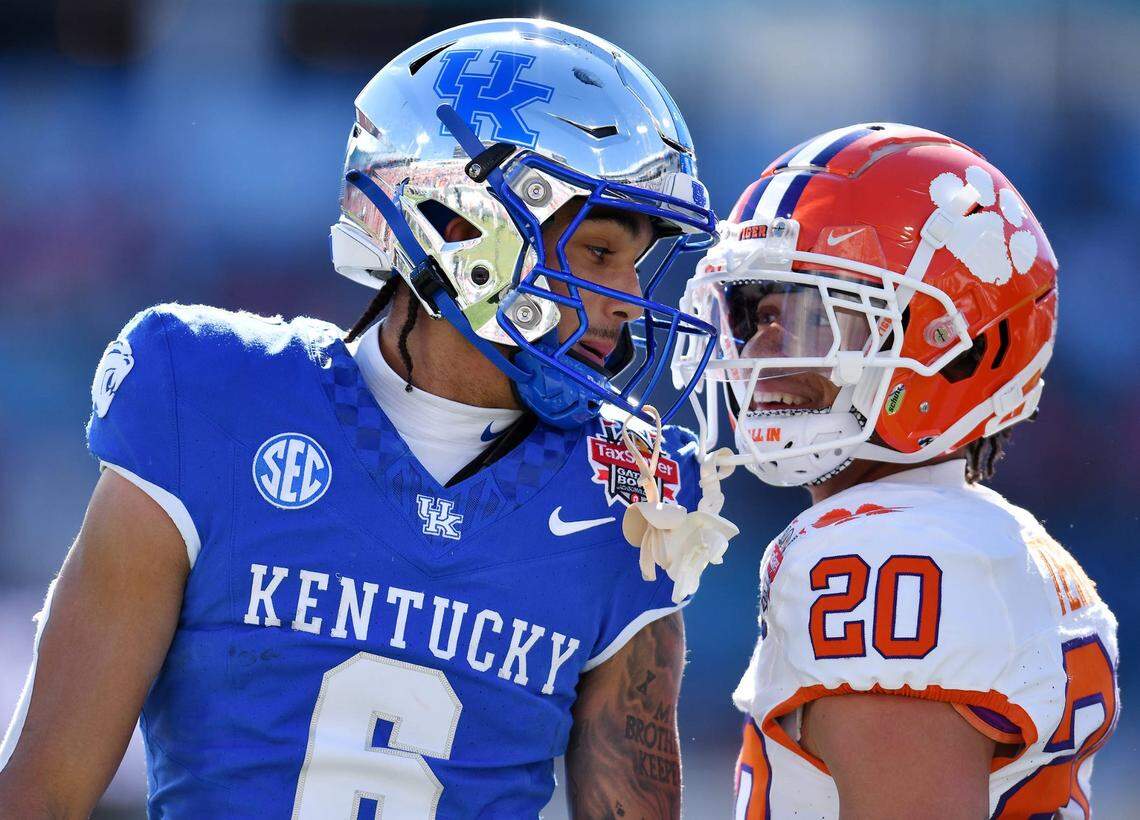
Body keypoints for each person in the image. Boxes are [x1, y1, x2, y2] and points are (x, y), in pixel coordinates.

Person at [0, 19, 723, 818]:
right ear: (459, 225)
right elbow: (42, 790)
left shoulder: (624, 493)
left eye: (637, 261)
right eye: (597, 252)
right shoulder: (210, 397)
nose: (627, 302)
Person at [673, 123, 1120, 817]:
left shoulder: (882, 551)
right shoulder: (991, 537)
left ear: (954, 346)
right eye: (754, 313)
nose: (763, 346)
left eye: (811, 315)